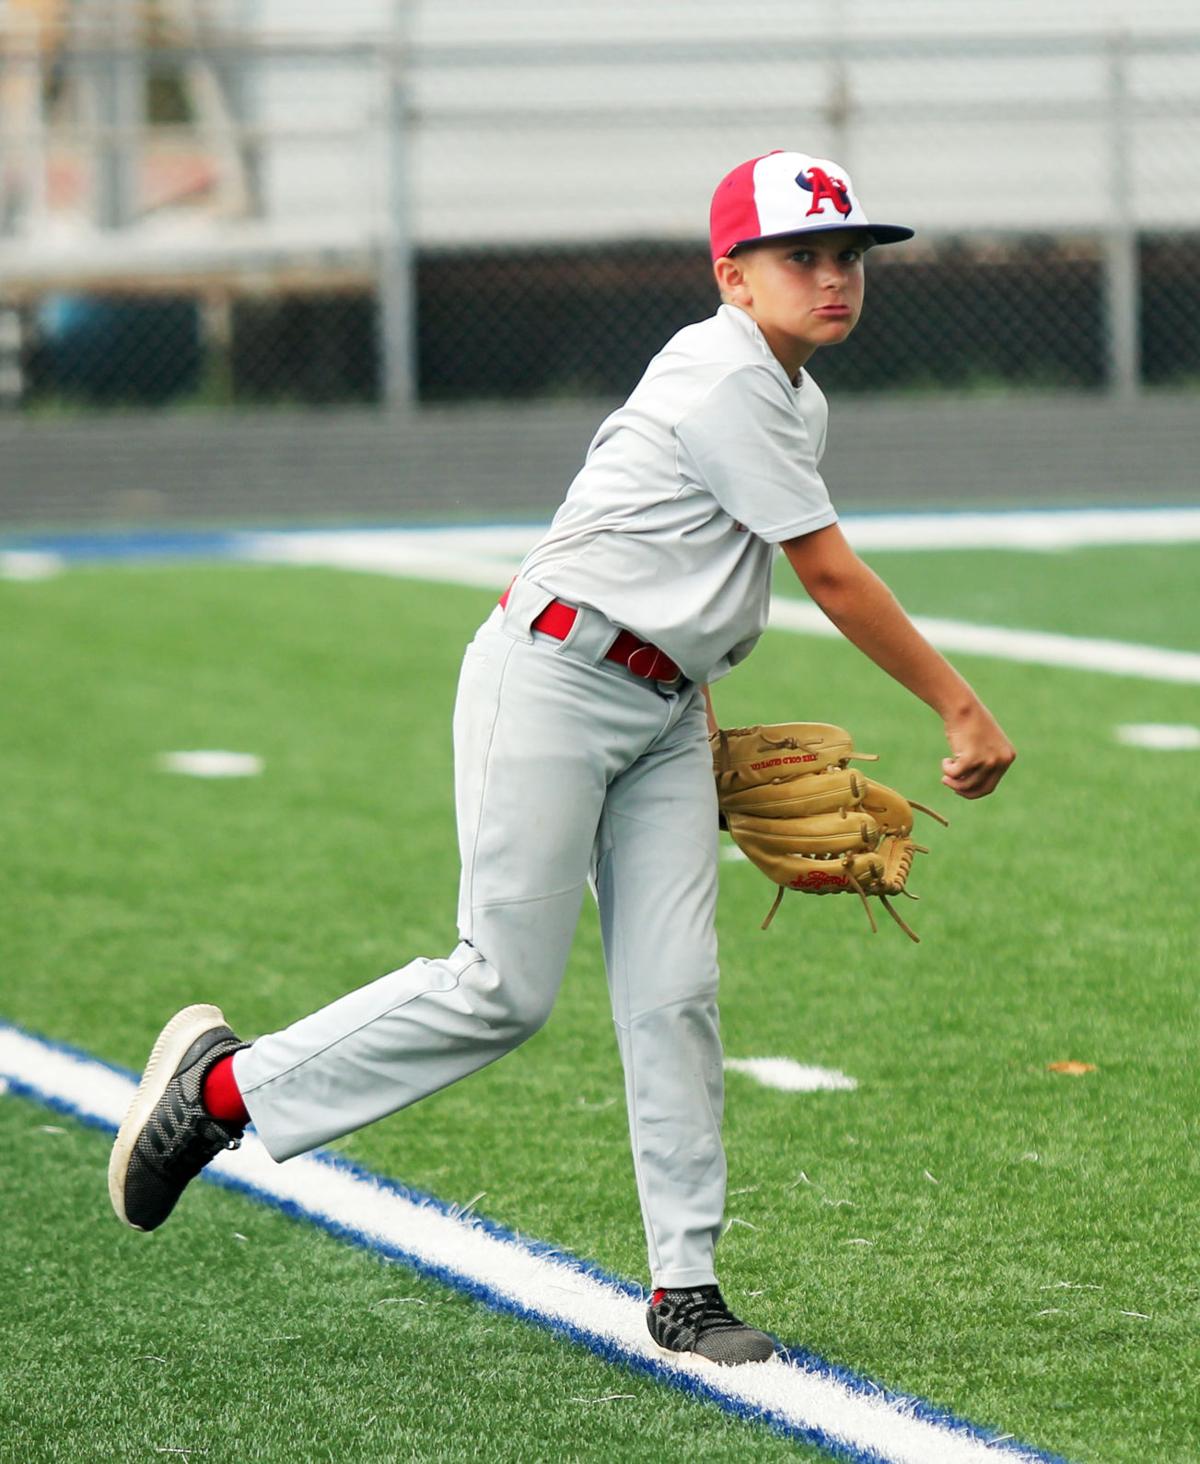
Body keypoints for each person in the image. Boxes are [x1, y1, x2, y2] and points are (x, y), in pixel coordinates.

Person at [108, 150, 1014, 1366]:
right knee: (502, 986)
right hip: (548, 681)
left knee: (674, 996)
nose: (835, 275)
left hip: (660, 713)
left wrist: (690, 700)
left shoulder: (795, 397)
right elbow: (832, 577)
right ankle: (220, 1094)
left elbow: (709, 573)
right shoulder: (723, 373)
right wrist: (960, 708)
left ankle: (685, 1286)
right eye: (801, 254)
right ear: (732, 277)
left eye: (850, 254)